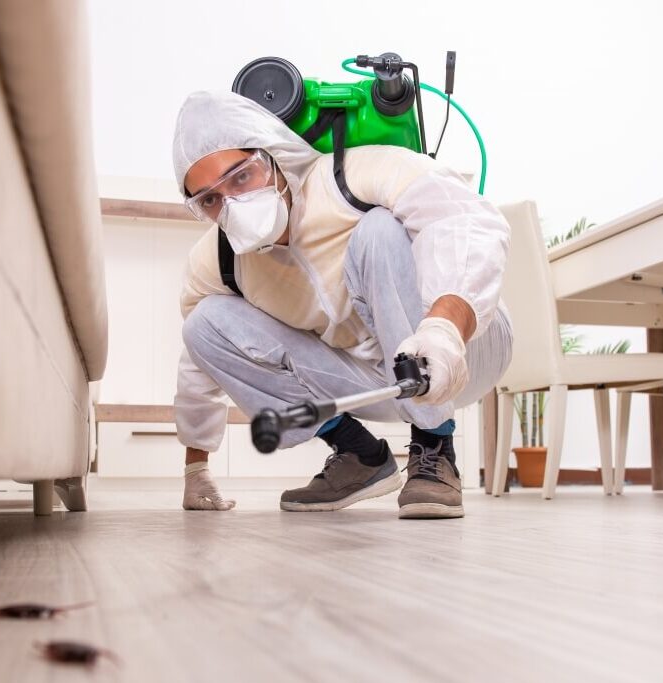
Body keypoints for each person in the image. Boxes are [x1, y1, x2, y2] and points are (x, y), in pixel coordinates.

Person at [174, 91, 512, 519]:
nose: (232, 205)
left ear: (272, 156)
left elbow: (463, 221)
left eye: (241, 177)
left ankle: (434, 448)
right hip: (375, 381)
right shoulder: (219, 260)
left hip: (465, 344)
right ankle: (359, 456)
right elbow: (198, 359)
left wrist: (445, 328)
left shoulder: (349, 177)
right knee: (204, 321)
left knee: (378, 229)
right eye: (210, 199)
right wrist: (196, 468)